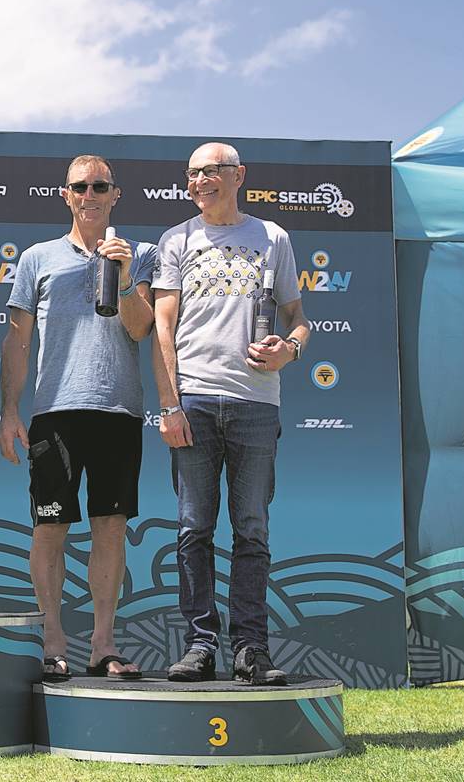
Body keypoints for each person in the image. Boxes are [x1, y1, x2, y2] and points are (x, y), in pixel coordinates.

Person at [152, 142, 311, 686]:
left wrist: (290, 349)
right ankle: (200, 645)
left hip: (256, 404)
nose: (199, 181)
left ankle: (251, 649)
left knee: (252, 531)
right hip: (194, 400)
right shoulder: (176, 240)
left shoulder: (273, 238)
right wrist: (170, 405)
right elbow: (163, 327)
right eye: (192, 173)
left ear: (238, 175)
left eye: (210, 171)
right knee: (193, 529)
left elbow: (298, 317)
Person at [0, 156, 156, 681]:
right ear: (65, 194)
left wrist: (125, 276)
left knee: (110, 529)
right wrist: (9, 410)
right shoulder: (36, 258)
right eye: (80, 186)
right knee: (50, 528)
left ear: (116, 194)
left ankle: (103, 646)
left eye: (100, 186)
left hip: (119, 410)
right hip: (55, 412)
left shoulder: (142, 254)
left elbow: (141, 328)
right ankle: (53, 641)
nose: (90, 195)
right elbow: (18, 341)